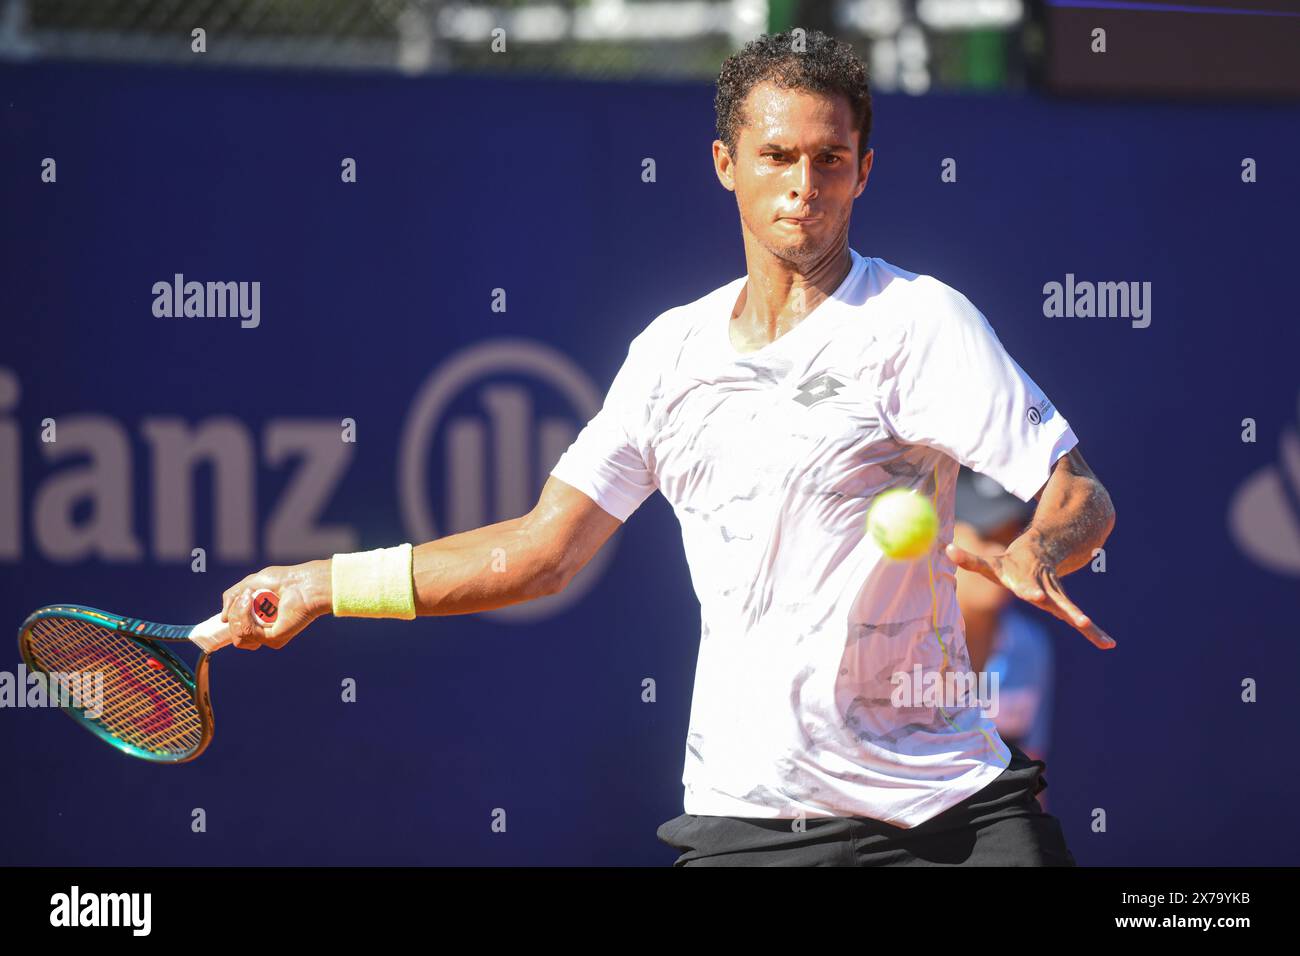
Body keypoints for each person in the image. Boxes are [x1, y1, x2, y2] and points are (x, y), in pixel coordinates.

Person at [219, 30, 1116, 866]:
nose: (804, 183)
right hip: (751, 817)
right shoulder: (667, 357)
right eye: (776, 157)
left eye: (829, 159)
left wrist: (1038, 549)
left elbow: (1081, 493)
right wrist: (321, 584)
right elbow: (539, 553)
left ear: (863, 172)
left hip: (948, 811)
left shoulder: (920, 323)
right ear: (726, 165)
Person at [954, 467, 1058, 809]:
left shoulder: (1031, 646)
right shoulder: (894, 648)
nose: (1001, 555)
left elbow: (1030, 780)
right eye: (986, 536)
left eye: (1011, 537)